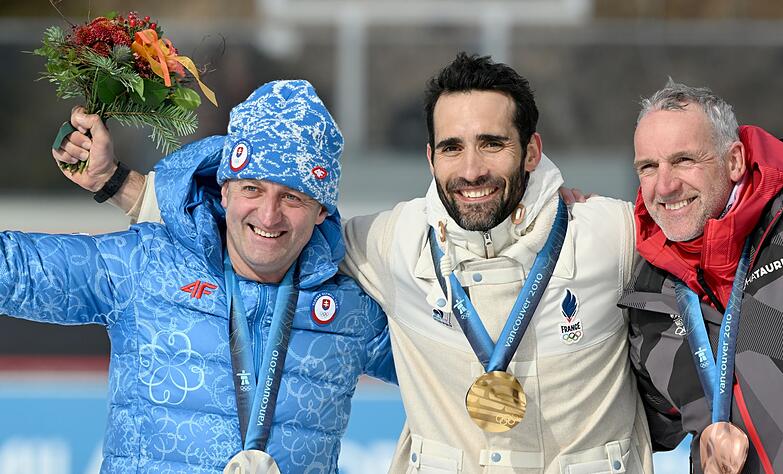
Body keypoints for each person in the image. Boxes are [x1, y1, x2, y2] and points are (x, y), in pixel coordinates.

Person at [56, 54, 654, 473]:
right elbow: (265, 229)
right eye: (452, 147)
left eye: (492, 143)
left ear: (532, 152)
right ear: (430, 157)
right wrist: (116, 183)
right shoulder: (395, 242)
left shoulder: (612, 232)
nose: (471, 168)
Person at [7, 80, 395, 473]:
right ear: (224, 191)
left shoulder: (351, 312)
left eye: (292, 197)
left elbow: (450, 370)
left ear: (322, 211)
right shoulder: (147, 266)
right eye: (252, 189)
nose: (268, 215)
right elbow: (18, 271)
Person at [619, 80, 783, 473]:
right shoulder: (648, 295)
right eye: (649, 167)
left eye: (684, 160)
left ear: (733, 161)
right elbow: (639, 425)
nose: (665, 185)